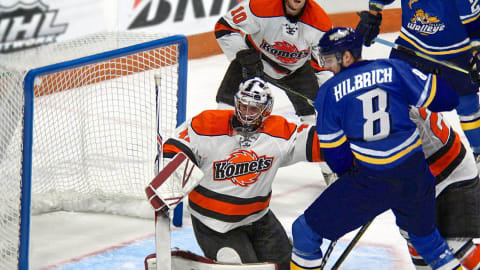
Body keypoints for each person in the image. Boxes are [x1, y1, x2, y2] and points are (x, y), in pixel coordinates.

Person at [291, 27, 463, 270]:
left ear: (347, 57)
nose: (326, 66)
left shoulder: (329, 92)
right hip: (415, 175)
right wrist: (441, 76)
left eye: (329, 59)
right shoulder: (393, 69)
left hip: (371, 182)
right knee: (428, 244)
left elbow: (336, 158)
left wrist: (356, 185)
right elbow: (447, 100)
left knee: (304, 232)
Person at [161, 77, 324, 270]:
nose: (246, 113)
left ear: (266, 110)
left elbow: (320, 142)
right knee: (238, 266)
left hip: (259, 218)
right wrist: (170, 173)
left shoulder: (278, 132)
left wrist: (357, 152)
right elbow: (176, 145)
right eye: (243, 106)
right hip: (214, 224)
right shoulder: (209, 124)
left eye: (253, 109)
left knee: (287, 266)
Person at [355, 0, 480, 158]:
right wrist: (372, 15)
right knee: (392, 100)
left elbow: (476, 27)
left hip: (455, 53)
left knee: (467, 104)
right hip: (411, 48)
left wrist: (477, 53)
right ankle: (394, 154)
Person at [213, 0, 332, 124]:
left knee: (317, 112)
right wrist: (241, 53)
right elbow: (224, 26)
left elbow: (323, 65)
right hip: (254, 61)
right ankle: (220, 127)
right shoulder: (260, 6)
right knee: (226, 107)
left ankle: (309, 132)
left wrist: (329, 92)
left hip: (296, 70)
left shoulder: (321, 24)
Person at [405, 107, 480, 270]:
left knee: (454, 243)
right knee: (416, 238)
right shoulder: (407, 86)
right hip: (442, 166)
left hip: (447, 172)